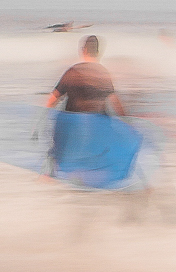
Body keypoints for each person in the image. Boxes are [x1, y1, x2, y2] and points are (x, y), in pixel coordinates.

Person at [43, 35, 126, 176]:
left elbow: (51, 101)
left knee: (57, 134)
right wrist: (127, 123)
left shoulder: (72, 72)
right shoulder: (102, 73)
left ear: (83, 50)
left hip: (72, 129)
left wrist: (42, 121)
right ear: (98, 52)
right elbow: (115, 103)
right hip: (97, 129)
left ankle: (48, 177)